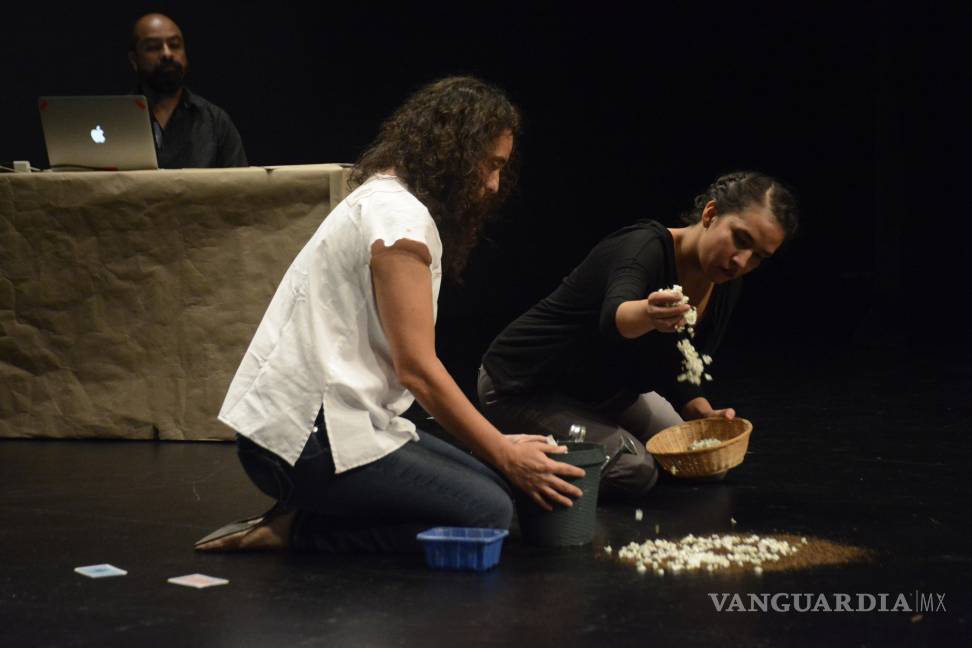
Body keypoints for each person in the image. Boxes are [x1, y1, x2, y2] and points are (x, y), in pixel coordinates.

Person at [196, 76, 584, 554]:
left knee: (494, 485)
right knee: (490, 513)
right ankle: (299, 531)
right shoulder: (400, 220)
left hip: (326, 425)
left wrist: (497, 448)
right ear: (455, 153)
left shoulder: (387, 199)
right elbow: (417, 370)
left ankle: (314, 511)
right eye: (490, 164)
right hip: (303, 442)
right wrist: (502, 449)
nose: (493, 184)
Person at [477, 172, 799, 500]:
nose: (742, 261)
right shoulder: (644, 246)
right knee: (636, 471)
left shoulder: (724, 281)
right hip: (525, 385)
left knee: (705, 459)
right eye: (740, 239)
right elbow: (614, 318)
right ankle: (502, 459)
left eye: (759, 256)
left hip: (604, 393)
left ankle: (585, 439)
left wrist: (700, 411)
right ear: (711, 214)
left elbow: (677, 358)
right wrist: (648, 313)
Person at [129, 13, 247, 168]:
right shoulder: (116, 119)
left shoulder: (215, 123)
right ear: (134, 60)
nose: (167, 54)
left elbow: (240, 182)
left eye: (175, 45)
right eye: (153, 47)